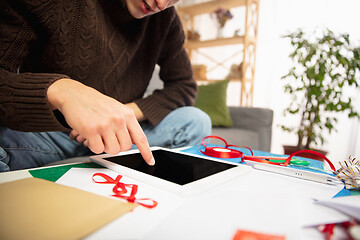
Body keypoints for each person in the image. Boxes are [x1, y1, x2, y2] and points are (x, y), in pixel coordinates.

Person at [0, 0, 211, 172]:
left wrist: (118, 115)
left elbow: (184, 86)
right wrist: (62, 92)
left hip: (122, 138)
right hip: (51, 133)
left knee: (195, 121)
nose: (162, 4)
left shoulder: (166, 19)